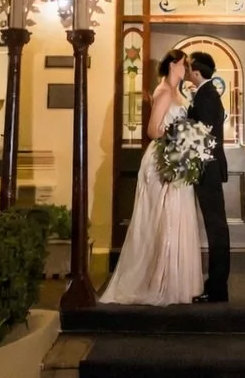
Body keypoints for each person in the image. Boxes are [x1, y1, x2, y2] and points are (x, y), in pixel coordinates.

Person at [98, 49, 203, 305]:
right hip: (162, 158)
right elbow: (153, 130)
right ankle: (157, 280)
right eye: (182, 64)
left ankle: (173, 279)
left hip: (178, 157)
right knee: (163, 215)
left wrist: (188, 139)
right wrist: (178, 135)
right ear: (172, 66)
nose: (185, 68)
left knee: (177, 214)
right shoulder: (165, 92)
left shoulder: (179, 92)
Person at [185, 51, 230, 303]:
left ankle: (217, 288)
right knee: (216, 226)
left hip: (207, 167)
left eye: (189, 68)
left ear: (197, 72)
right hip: (208, 167)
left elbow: (202, 134)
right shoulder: (205, 93)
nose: (187, 72)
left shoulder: (207, 96)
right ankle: (216, 286)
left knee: (216, 228)